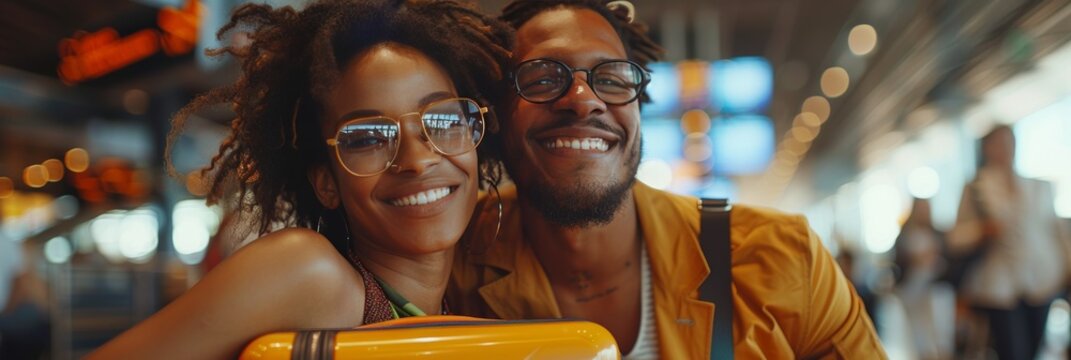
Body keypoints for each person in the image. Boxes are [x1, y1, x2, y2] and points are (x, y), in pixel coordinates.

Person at [448, 0, 886, 358]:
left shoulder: (785, 260)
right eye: (542, 78)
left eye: (611, 78)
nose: (583, 101)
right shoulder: (451, 269)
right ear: (495, 111)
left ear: (639, 107)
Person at [88, 0, 511, 358]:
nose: (417, 159)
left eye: (442, 120)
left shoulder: (457, 302)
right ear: (326, 182)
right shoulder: (311, 272)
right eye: (366, 138)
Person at [947, 124, 1071, 360]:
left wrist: (1068, 268)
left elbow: (1056, 232)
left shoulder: (1038, 187)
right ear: (986, 148)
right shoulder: (976, 189)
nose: (1005, 149)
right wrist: (983, 230)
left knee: (1035, 347)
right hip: (999, 285)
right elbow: (955, 238)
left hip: (1042, 280)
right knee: (1013, 351)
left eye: (1009, 142)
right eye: (998, 143)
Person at [892, 198, 955, 360]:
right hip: (912, 288)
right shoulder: (905, 235)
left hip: (935, 285)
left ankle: (943, 353)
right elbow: (902, 261)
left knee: (940, 325)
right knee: (919, 328)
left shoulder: (936, 233)